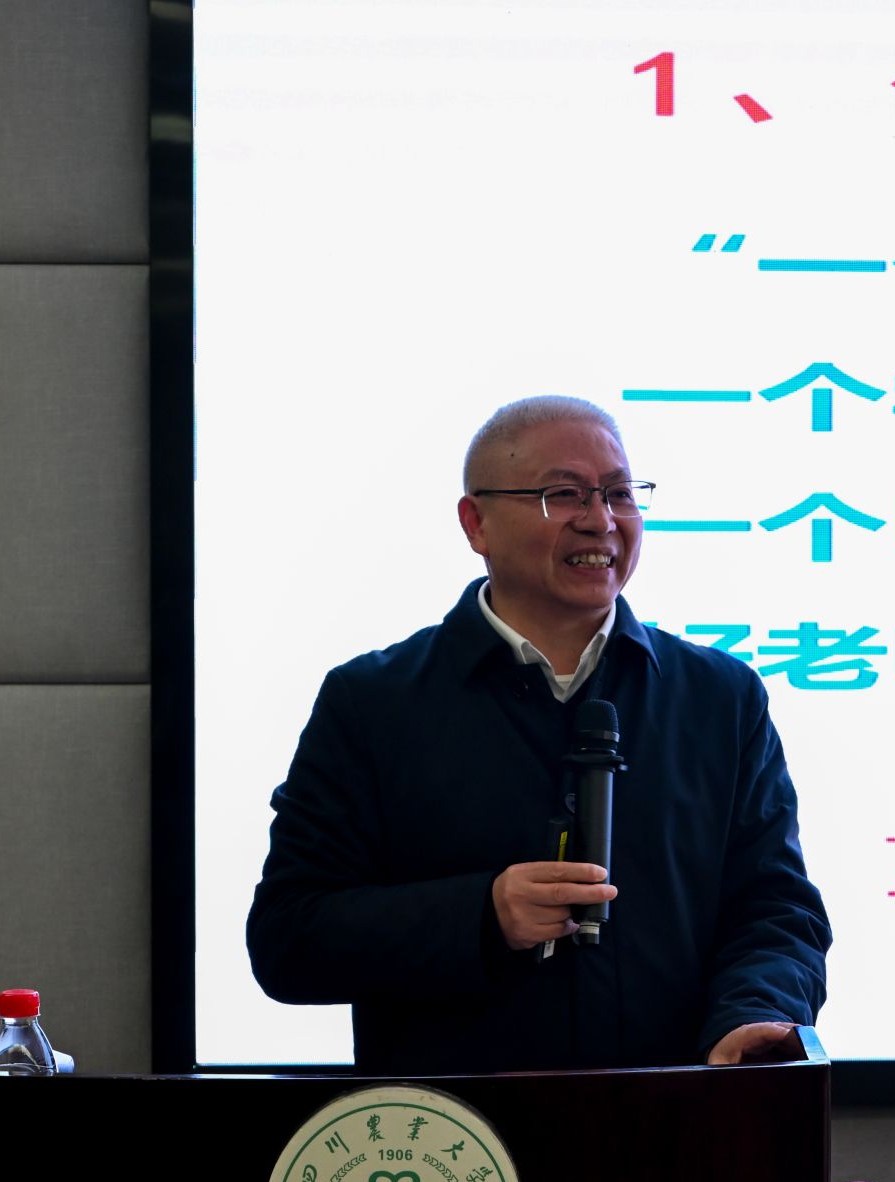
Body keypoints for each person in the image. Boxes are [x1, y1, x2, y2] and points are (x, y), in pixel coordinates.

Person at [246, 395, 830, 1074]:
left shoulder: (719, 698)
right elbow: (289, 937)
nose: (600, 520)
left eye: (619, 493)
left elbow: (775, 909)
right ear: (476, 523)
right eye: (564, 494)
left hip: (676, 1117)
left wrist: (755, 1009)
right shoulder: (372, 702)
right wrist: (481, 915)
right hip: (456, 1129)